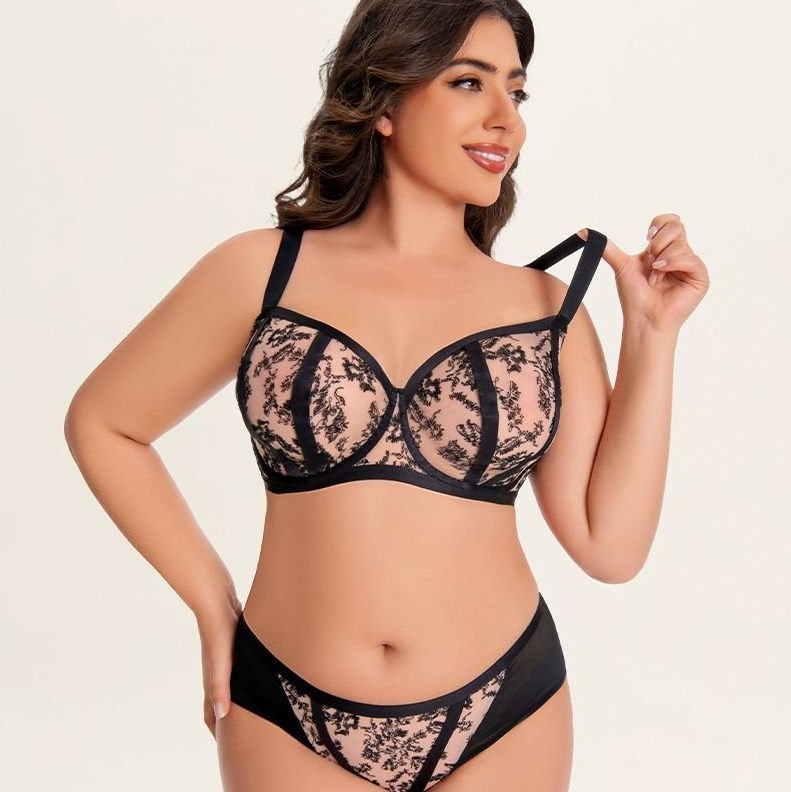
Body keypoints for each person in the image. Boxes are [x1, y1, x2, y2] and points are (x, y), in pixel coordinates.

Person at [63, 1, 709, 790]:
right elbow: (105, 423)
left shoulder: (546, 307)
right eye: (468, 82)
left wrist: (652, 335)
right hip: (284, 709)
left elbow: (609, 548)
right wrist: (210, 600)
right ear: (384, 102)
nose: (504, 117)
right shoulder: (260, 272)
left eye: (516, 91)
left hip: (505, 710)